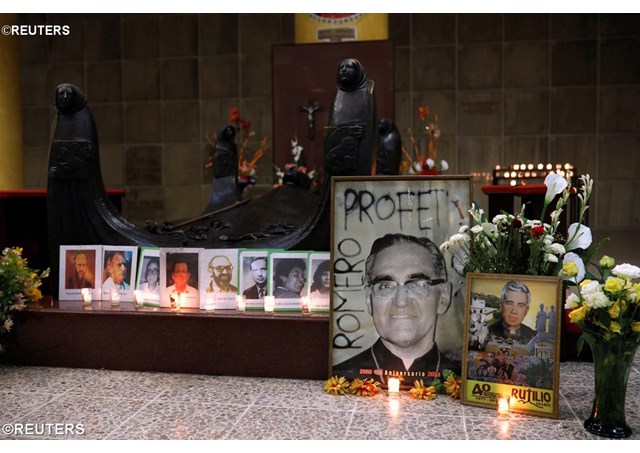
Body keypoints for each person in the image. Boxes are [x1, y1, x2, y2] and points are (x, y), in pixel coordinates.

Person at [333, 233, 456, 385]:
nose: (401, 302)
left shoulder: (460, 380)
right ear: (369, 300)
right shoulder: (341, 379)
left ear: (443, 297)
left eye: (416, 284)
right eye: (385, 286)